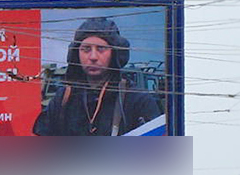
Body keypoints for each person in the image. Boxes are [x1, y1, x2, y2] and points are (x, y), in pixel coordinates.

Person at [32, 17, 163, 136]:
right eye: (86, 49)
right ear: (76, 53)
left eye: (101, 49)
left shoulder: (137, 101)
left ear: (114, 53)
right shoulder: (63, 99)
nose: (93, 57)